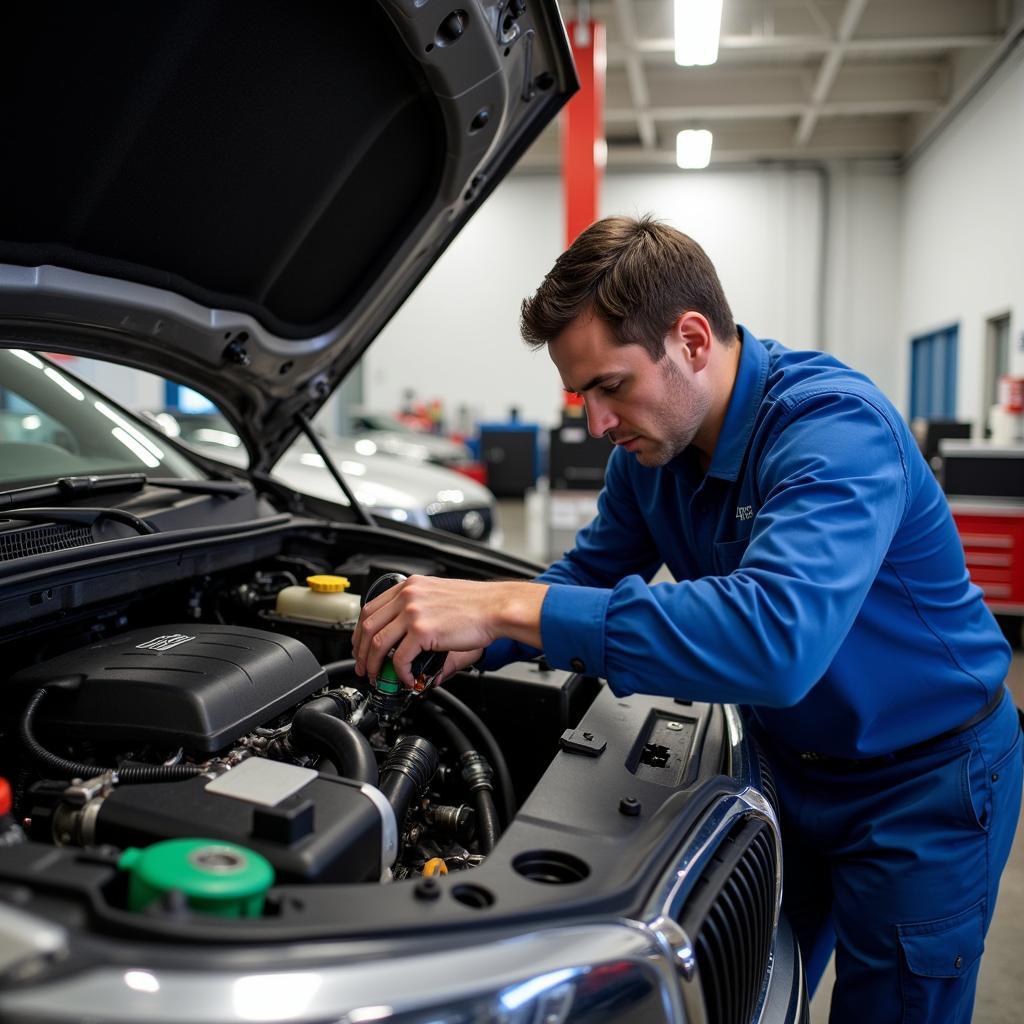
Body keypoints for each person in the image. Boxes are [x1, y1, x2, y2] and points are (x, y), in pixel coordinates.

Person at [354, 215, 1022, 1023]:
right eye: (580, 395)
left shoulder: (833, 429)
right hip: (788, 763)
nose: (596, 423)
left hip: (924, 780)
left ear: (694, 340)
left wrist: (501, 602)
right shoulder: (652, 456)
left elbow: (773, 640)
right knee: (757, 989)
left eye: (609, 386)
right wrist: (468, 638)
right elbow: (588, 575)